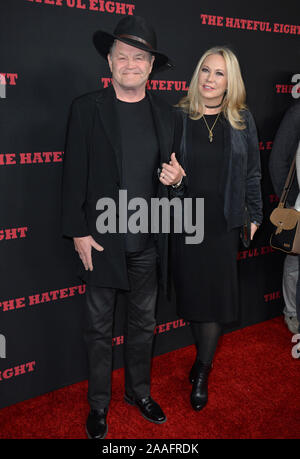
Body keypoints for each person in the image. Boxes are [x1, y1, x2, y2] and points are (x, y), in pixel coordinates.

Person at [61, 16, 183, 439]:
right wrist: (78, 232)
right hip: (100, 242)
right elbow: (72, 176)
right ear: (109, 61)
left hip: (148, 243)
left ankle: (139, 392)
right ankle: (98, 406)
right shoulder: (86, 109)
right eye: (122, 56)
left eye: (139, 58)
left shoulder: (167, 116)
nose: (130, 64)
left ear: (151, 67)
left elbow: (172, 177)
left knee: (143, 326)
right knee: (97, 330)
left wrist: (177, 180)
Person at [161, 47, 263, 411]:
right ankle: (202, 359)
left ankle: (202, 369)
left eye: (219, 73)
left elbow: (252, 171)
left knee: (215, 304)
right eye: (205, 70)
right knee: (193, 299)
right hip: (186, 223)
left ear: (229, 81)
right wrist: (172, 181)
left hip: (222, 224)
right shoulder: (177, 116)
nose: (209, 79)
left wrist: (254, 214)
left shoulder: (242, 120)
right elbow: (165, 172)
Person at [269, 101, 300, 335]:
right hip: (298, 203)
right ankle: (291, 311)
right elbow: (278, 158)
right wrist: (287, 200)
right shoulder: (297, 111)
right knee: (295, 260)